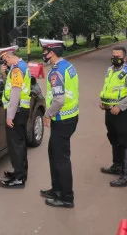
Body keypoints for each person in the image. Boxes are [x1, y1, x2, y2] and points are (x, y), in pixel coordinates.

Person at [39, 39, 79, 208]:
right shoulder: (68, 66)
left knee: (61, 159)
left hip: (62, 120)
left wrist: (47, 115)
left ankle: (66, 197)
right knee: (53, 153)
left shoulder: (56, 72)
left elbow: (59, 100)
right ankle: (56, 189)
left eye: (45, 51)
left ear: (52, 53)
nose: (43, 54)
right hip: (69, 117)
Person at [99, 46, 127, 187]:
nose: (114, 58)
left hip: (123, 113)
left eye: (118, 56)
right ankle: (117, 166)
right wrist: (104, 102)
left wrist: (120, 106)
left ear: (124, 58)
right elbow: (109, 89)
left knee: (126, 143)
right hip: (109, 111)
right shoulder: (110, 70)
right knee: (114, 139)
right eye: (113, 55)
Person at [0, 45, 32, 189]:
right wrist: (4, 75)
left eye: (5, 59)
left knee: (15, 144)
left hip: (16, 111)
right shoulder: (21, 65)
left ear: (10, 56)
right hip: (21, 110)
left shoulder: (17, 69)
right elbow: (10, 86)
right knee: (20, 142)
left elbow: (15, 94)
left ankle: (18, 179)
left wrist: (9, 116)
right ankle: (21, 172)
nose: (5, 62)